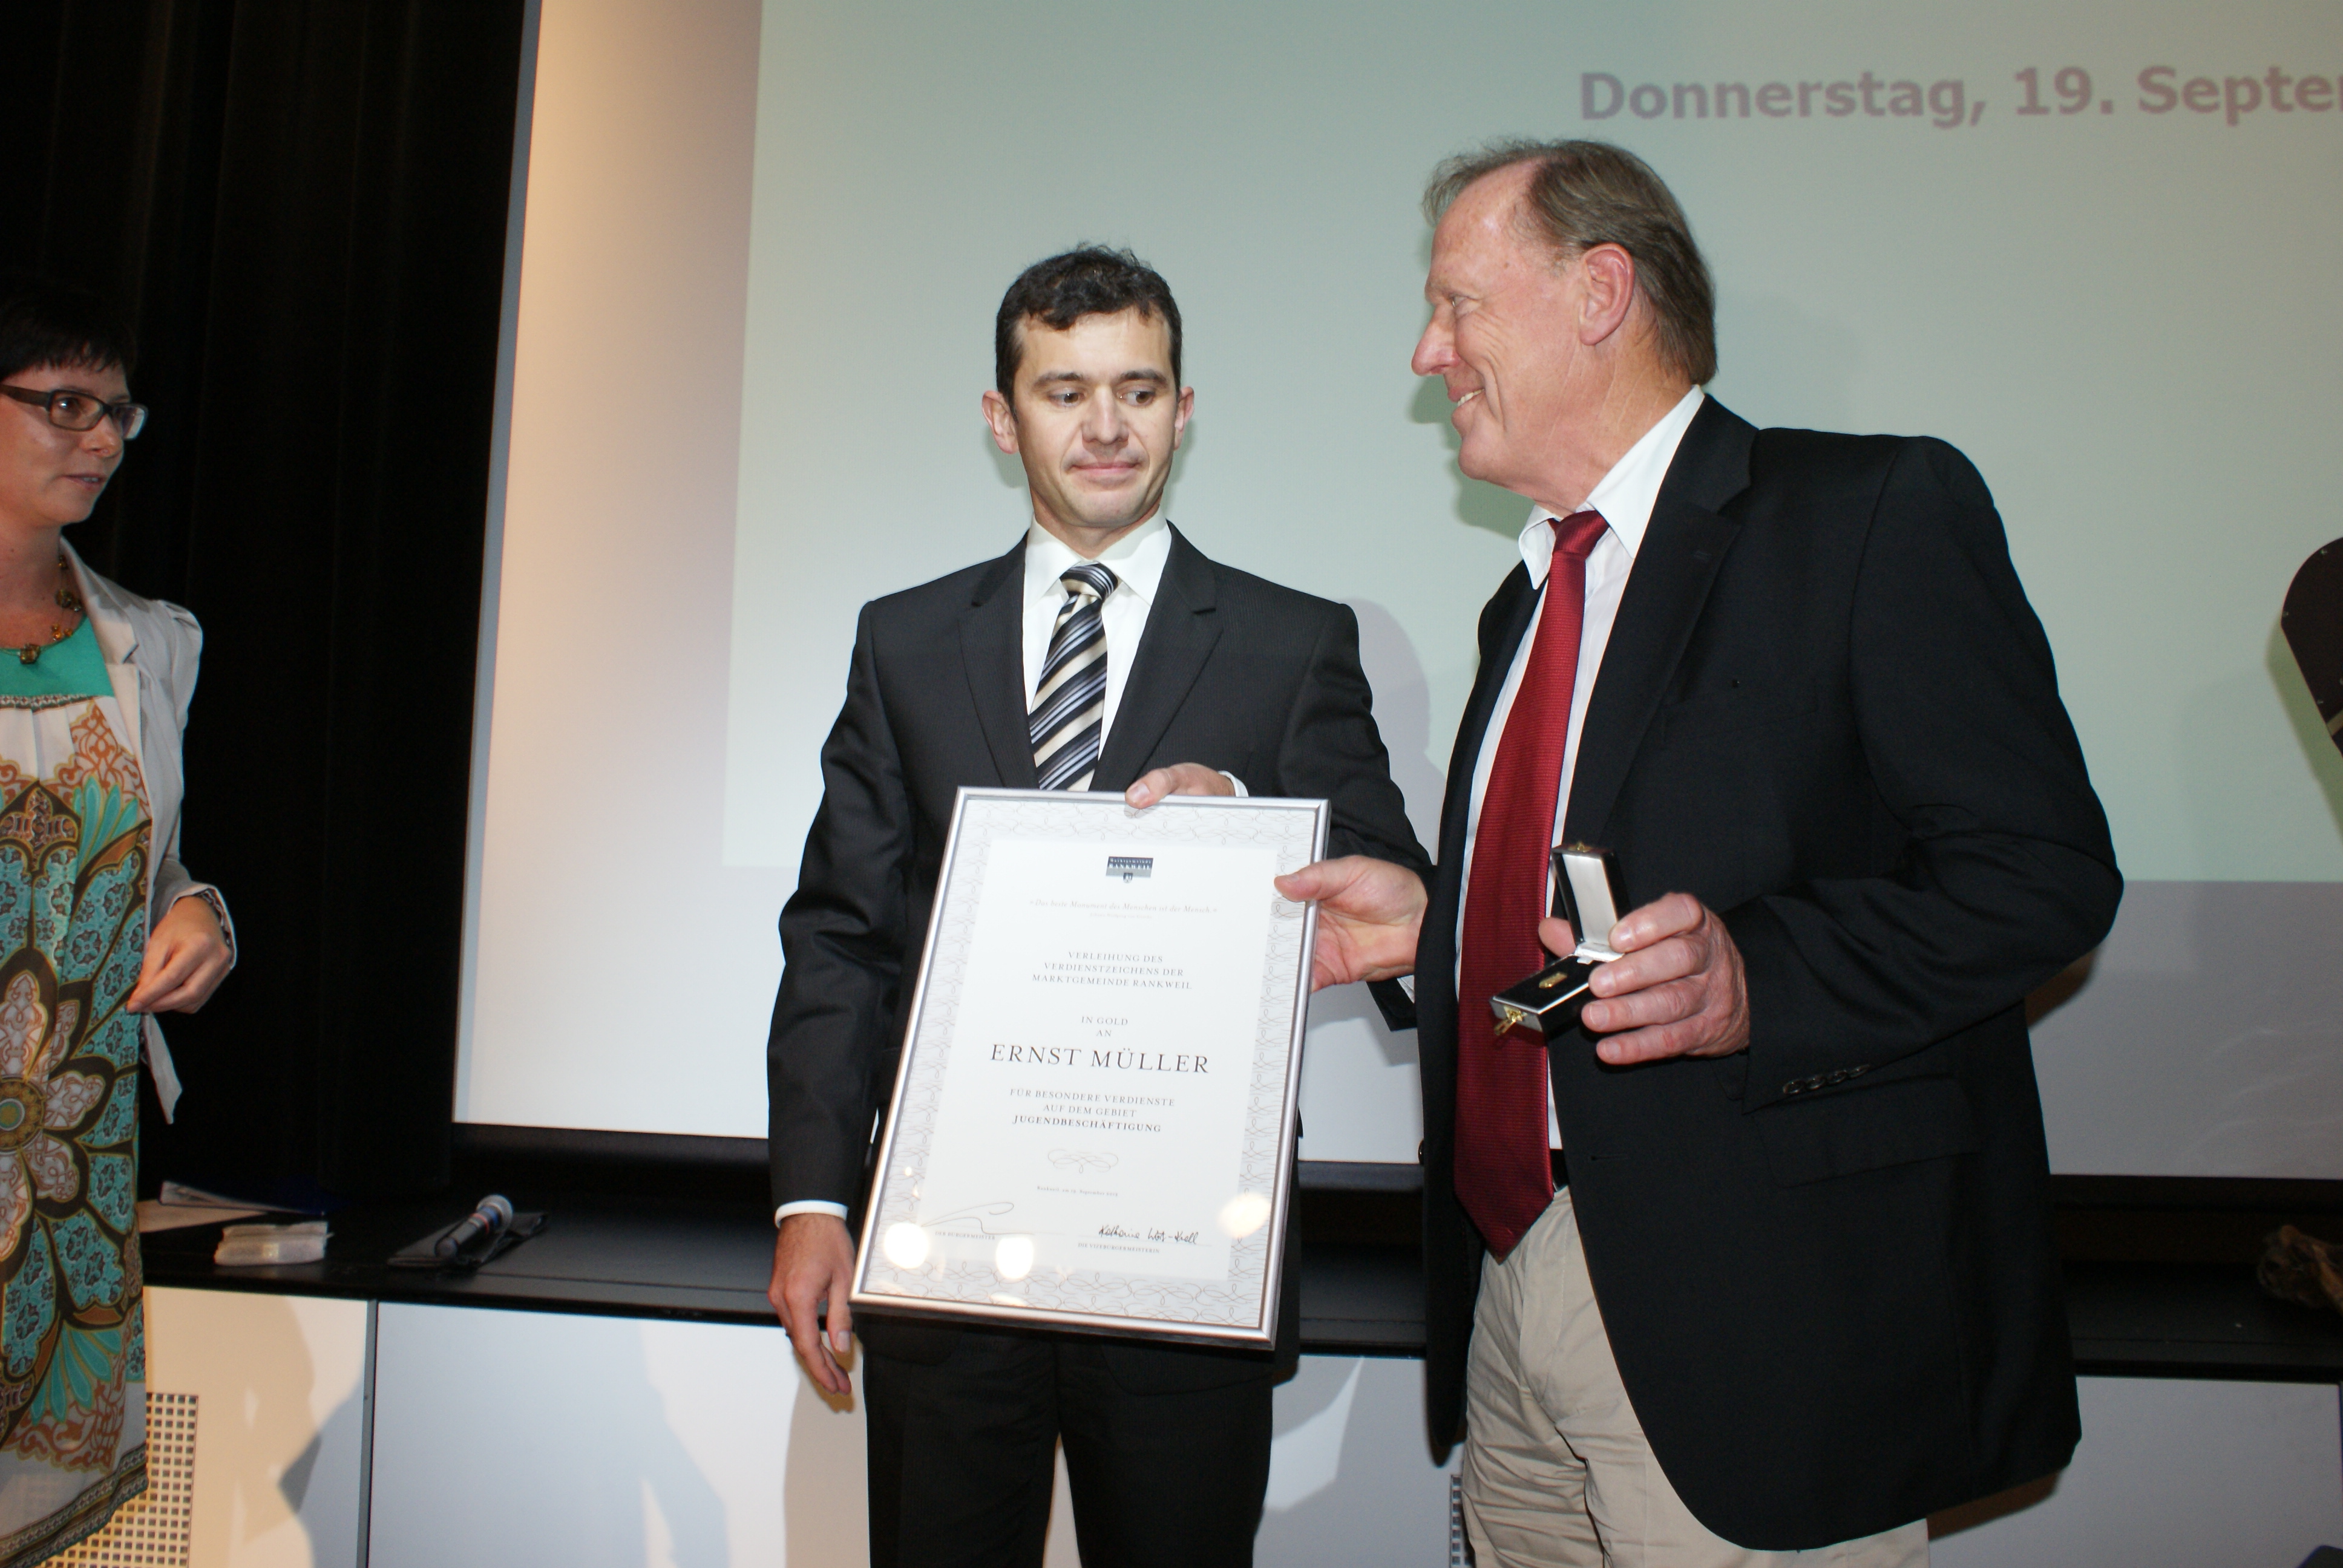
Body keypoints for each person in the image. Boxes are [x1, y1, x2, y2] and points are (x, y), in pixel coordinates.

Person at [1277, 142, 2121, 1566]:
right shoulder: (1525, 600)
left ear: (1599, 292)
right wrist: (1434, 930)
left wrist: (1756, 981)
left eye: (1457, 306)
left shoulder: (1865, 512)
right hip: (1513, 1284)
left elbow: (2039, 875)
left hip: (1765, 1331)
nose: (1429, 353)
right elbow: (1589, 929)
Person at [764, 246, 1427, 1568]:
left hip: (1186, 1258)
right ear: (1002, 418)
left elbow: (1395, 886)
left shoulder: (1293, 642)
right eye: (1064, 392)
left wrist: (1245, 813)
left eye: (1139, 389)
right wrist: (812, 1204)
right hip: (946, 1254)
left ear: (1185, 409)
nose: (1107, 426)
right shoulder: (903, 642)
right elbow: (842, 935)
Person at [0, 277, 234, 1564]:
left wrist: (200, 914)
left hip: (64, 1175)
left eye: (118, 413)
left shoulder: (148, 642)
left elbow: (149, 864)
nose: (102, 438)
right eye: (65, 406)